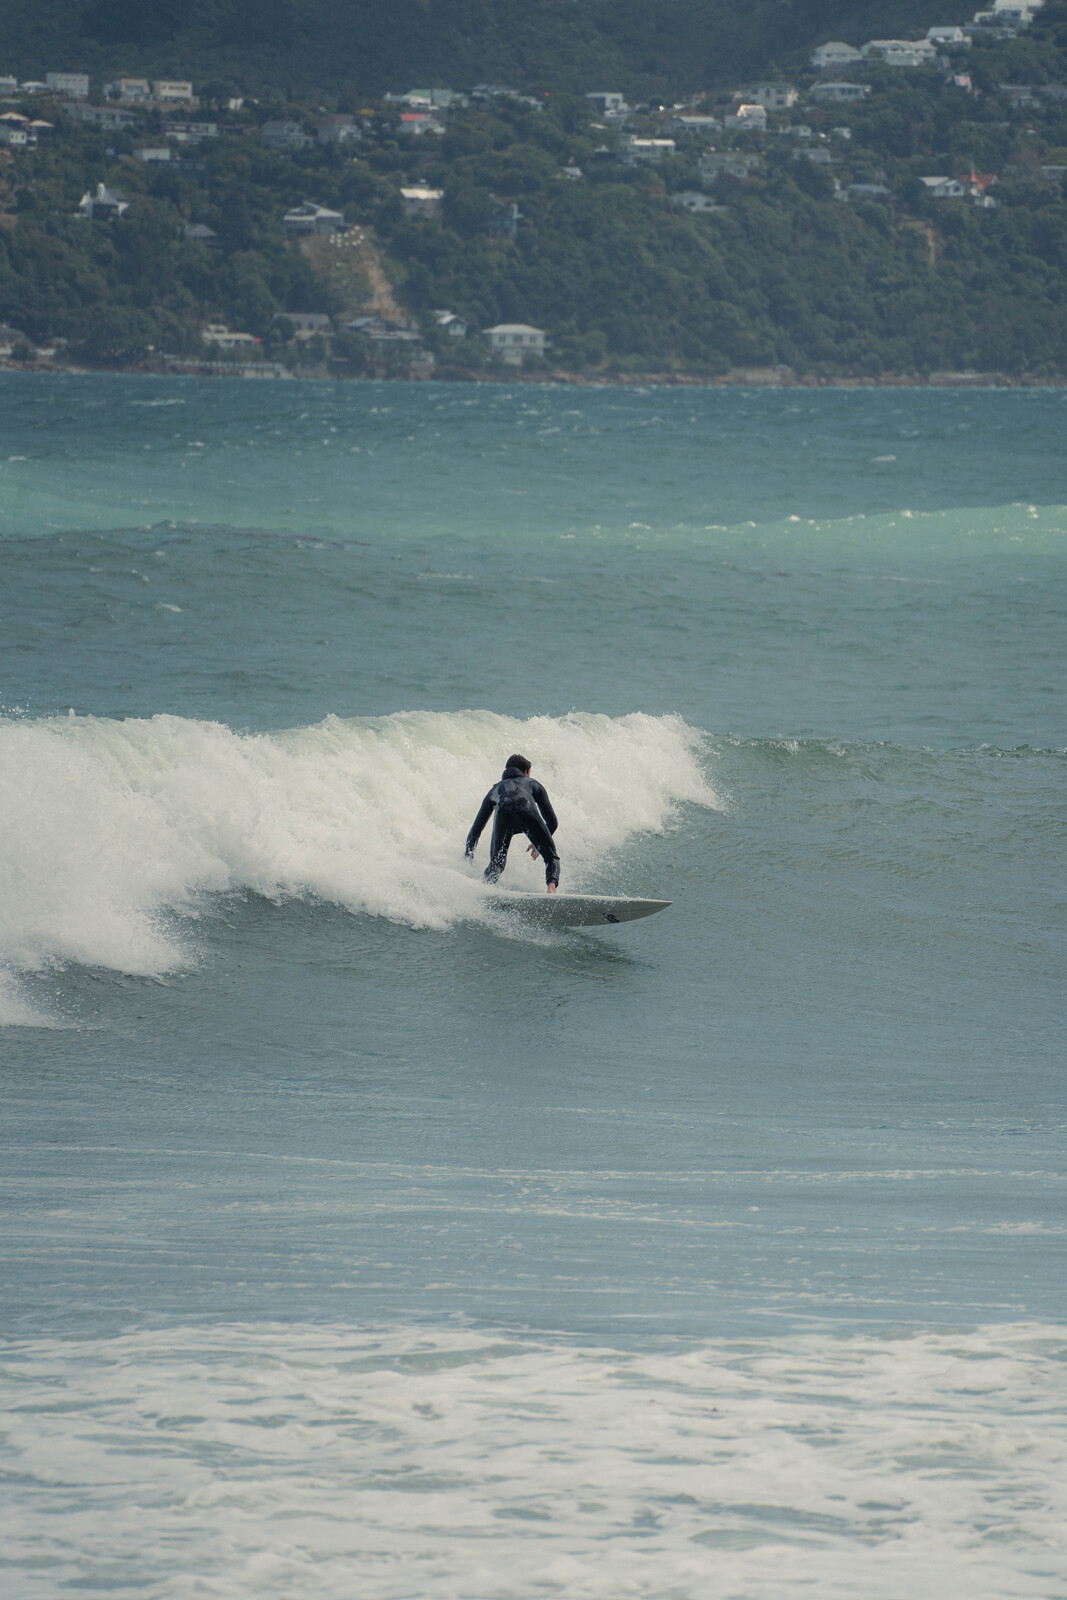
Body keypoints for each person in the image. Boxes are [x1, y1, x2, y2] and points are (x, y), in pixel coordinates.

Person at [465, 754, 560, 893]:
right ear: (526, 772)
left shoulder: (496, 789)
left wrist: (468, 857)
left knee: (497, 865)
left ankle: (482, 891)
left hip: (504, 815)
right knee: (551, 858)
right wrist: (539, 843)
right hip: (527, 811)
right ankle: (551, 888)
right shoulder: (532, 783)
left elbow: (476, 829)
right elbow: (552, 822)